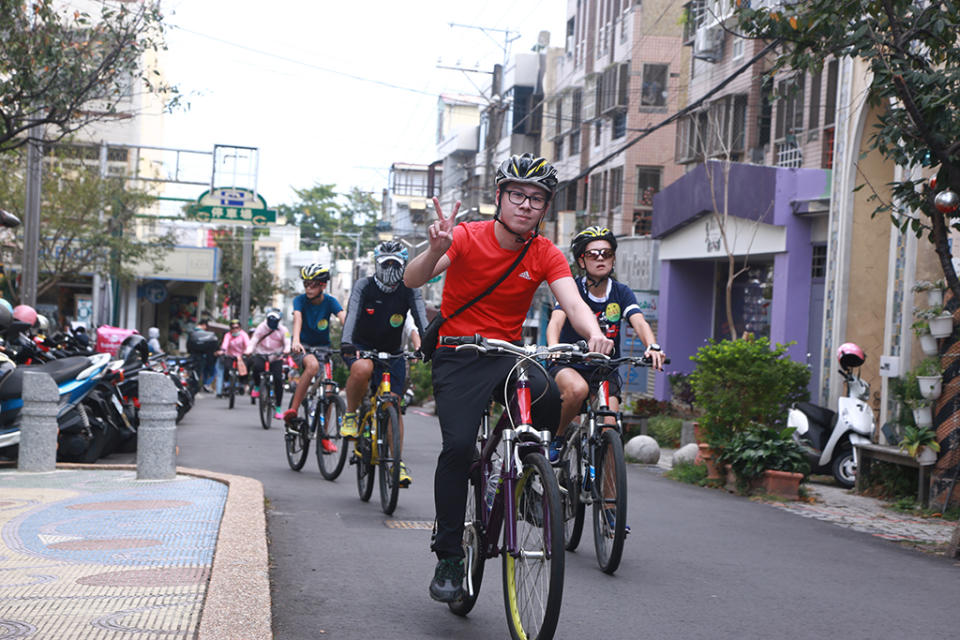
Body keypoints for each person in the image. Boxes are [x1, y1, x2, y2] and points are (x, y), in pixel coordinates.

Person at [403, 152, 614, 603]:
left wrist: (595, 333)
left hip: (507, 355)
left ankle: (531, 475)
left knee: (551, 401)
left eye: (536, 198)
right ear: (499, 197)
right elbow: (411, 278)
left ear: (544, 207)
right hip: (458, 353)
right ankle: (449, 556)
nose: (525, 204)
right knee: (459, 447)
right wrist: (435, 249)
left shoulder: (545, 252)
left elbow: (573, 303)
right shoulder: (464, 236)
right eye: (517, 194)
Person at [546, 226, 665, 462]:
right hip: (570, 364)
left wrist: (652, 345)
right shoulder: (573, 289)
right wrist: (553, 347)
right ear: (582, 261)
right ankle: (558, 438)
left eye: (607, 253)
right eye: (593, 254)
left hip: (603, 370)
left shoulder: (621, 292)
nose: (601, 258)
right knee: (578, 390)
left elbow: (639, 322)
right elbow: (555, 322)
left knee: (610, 430)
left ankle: (610, 498)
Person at [339, 240, 428, 485]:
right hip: (361, 348)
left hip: (393, 353)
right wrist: (347, 342)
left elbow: (422, 321)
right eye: (385, 263)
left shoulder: (409, 289)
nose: (390, 268)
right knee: (363, 368)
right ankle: (350, 415)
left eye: (395, 264)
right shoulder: (364, 286)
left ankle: (396, 463)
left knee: (394, 405)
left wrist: (428, 346)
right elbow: (352, 314)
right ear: (377, 264)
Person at [282, 264, 346, 436]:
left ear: (323, 285)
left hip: (323, 349)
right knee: (311, 366)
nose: (308, 288)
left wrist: (353, 339)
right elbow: (298, 318)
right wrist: (295, 340)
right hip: (302, 347)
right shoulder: (300, 301)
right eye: (306, 284)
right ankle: (293, 411)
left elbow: (343, 318)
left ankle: (324, 436)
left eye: (313, 284)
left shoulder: (330, 301)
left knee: (329, 391)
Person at [245, 308, 292, 420]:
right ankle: (256, 386)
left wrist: (286, 349)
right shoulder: (261, 327)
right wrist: (249, 350)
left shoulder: (283, 330)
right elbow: (254, 340)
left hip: (276, 356)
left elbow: (287, 342)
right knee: (257, 367)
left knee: (278, 379)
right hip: (262, 354)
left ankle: (278, 407)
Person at [214, 319, 250, 396]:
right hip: (230, 355)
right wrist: (222, 351)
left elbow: (248, 345)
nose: (235, 330)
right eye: (233, 328)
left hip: (241, 356)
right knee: (227, 367)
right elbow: (225, 345)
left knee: (245, 368)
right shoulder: (228, 335)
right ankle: (226, 383)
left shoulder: (244, 335)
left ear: (240, 328)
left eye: (236, 327)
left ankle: (242, 384)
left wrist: (248, 352)